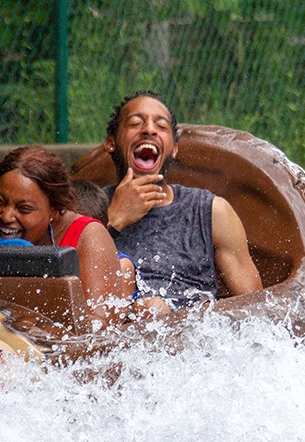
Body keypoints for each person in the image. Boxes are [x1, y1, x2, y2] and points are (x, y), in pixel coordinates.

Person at [102, 90, 262, 313]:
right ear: (111, 143)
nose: (149, 129)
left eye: (161, 126)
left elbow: (257, 309)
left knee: (154, 309)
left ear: (174, 149)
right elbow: (69, 292)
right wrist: (115, 221)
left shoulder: (211, 212)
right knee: (151, 308)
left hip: (193, 337)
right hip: (122, 335)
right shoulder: (89, 209)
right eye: (135, 123)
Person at [0, 146, 127, 326]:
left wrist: (38, 327)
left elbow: (100, 326)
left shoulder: (87, 235)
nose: (6, 217)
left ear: (53, 208)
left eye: (24, 209)